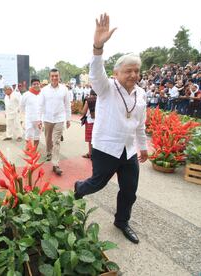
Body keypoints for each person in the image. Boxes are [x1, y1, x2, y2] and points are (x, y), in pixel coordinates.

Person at [74, 14, 148, 244]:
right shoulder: (106, 88)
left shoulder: (142, 94)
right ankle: (78, 188)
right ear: (116, 73)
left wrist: (142, 147)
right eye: (128, 71)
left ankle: (122, 221)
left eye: (136, 71)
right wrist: (98, 46)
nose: (134, 75)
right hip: (106, 147)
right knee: (97, 183)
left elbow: (140, 124)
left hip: (128, 151)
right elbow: (96, 72)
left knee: (129, 190)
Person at [38, 68, 71, 176]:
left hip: (59, 118)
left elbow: (67, 105)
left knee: (56, 141)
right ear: (49, 77)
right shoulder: (44, 90)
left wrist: (68, 119)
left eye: (56, 75)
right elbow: (41, 105)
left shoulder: (64, 89)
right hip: (47, 118)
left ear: (59, 76)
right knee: (48, 139)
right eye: (52, 76)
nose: (54, 78)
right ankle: (48, 152)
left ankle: (55, 164)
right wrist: (39, 119)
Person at [20, 77, 41, 147]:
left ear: (40, 84)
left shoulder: (42, 94)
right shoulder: (26, 94)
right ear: (31, 85)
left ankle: (34, 149)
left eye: (37, 84)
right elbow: (22, 106)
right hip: (29, 119)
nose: (36, 85)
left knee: (37, 135)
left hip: (39, 119)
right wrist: (23, 118)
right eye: (34, 84)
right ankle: (28, 148)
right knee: (28, 134)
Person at [80, 90, 97, 159]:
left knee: (90, 139)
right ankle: (95, 153)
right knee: (96, 138)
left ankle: (90, 153)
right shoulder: (100, 99)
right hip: (98, 122)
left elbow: (83, 112)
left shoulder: (88, 100)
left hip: (90, 122)